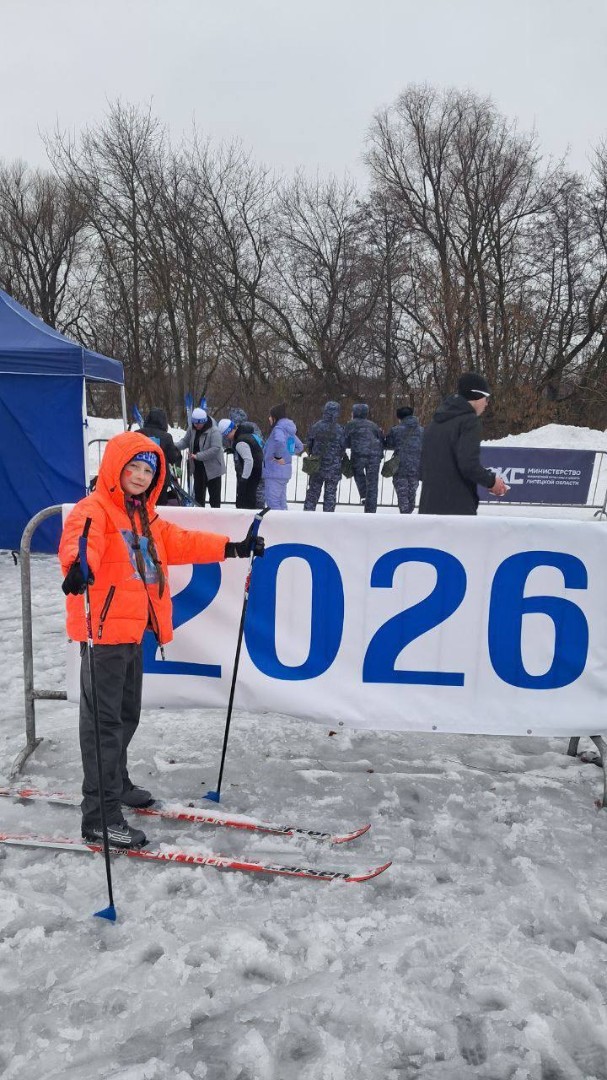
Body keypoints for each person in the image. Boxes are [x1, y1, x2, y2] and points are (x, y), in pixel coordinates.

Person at [59, 431, 264, 849]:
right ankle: (100, 815)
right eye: (132, 467)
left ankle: (117, 782)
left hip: (133, 631)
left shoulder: (144, 518)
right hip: (103, 635)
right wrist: (79, 567)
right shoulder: (94, 509)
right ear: (114, 468)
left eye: (147, 471)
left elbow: (183, 542)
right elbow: (81, 542)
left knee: (126, 715)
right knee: (103, 726)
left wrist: (233, 548)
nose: (139, 476)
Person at [418, 372, 508, 514]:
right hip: (457, 507)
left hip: (429, 506)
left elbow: (422, 467)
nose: (486, 403)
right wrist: (492, 481)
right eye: (486, 398)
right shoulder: (469, 421)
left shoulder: (435, 422)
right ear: (477, 396)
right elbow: (468, 464)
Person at [175, 407, 226, 508]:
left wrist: (198, 456)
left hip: (213, 469)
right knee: (199, 495)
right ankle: (199, 513)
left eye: (199, 424)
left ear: (204, 421)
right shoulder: (192, 428)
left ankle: (216, 515)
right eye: (194, 423)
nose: (196, 426)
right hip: (198, 467)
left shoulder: (214, 431)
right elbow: (185, 441)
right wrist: (173, 446)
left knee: (214, 497)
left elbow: (216, 449)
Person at [303, 400, 346, 512]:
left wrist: (314, 453)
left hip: (317, 466)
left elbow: (309, 444)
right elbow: (343, 447)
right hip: (333, 467)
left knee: (313, 493)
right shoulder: (340, 429)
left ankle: (307, 515)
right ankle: (328, 517)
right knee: (330, 495)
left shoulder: (316, 426)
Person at [343, 403, 384, 513]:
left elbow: (344, 440)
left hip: (358, 455)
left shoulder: (351, 424)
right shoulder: (373, 425)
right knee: (373, 483)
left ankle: (364, 495)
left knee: (358, 474)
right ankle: (371, 510)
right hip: (374, 456)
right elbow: (380, 439)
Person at [263, 403, 303, 510]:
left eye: (270, 416)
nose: (269, 418)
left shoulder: (278, 429)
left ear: (275, 417)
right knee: (281, 502)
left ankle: (276, 521)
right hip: (283, 472)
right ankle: (284, 520)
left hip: (273, 472)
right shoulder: (289, 431)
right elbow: (299, 447)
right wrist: (287, 453)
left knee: (272, 502)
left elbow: (280, 442)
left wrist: (278, 456)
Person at [217, 417, 263, 509]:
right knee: (251, 499)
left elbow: (249, 461)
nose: (227, 438)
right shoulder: (247, 434)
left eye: (226, 435)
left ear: (229, 431)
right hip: (258, 470)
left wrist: (244, 479)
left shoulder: (240, 441)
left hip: (251, 474)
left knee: (244, 502)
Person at [384, 405, 423, 514]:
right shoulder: (422, 430)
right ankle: (408, 516)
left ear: (400, 418)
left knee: (402, 497)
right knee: (412, 494)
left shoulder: (396, 430)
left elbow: (389, 444)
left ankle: (405, 518)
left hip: (400, 466)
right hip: (416, 467)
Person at [140, 408, 182, 506]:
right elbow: (172, 458)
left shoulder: (138, 433)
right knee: (159, 506)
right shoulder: (166, 437)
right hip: (160, 477)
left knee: (141, 503)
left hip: (141, 474)